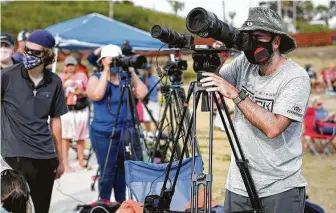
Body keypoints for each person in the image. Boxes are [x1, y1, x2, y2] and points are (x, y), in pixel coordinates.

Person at [200, 7, 309, 213]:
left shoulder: (295, 78)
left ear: (276, 42)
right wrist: (217, 62)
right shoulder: (244, 64)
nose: (251, 44)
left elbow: (274, 128)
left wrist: (235, 93)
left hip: (280, 185)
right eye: (248, 37)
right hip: (239, 183)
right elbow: (213, 84)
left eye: (258, 37)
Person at [1, 29, 68, 213]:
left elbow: (56, 121)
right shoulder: (6, 76)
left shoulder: (54, 81)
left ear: (47, 54)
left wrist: (60, 159)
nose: (28, 55)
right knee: (16, 208)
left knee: (41, 209)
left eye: (35, 52)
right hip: (14, 156)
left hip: (45, 157)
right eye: (26, 50)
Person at [86, 44, 147, 204]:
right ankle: (104, 202)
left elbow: (142, 93)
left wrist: (131, 70)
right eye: (110, 59)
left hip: (125, 131)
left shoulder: (125, 78)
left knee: (122, 168)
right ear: (102, 61)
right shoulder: (95, 77)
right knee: (107, 169)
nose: (114, 63)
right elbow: (96, 95)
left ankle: (121, 203)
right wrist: (106, 71)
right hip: (102, 133)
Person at [59, 56, 90, 172]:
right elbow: (55, 93)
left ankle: (81, 161)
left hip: (80, 108)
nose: (70, 67)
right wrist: (63, 82)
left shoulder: (82, 76)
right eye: (68, 65)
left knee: (80, 137)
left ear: (76, 66)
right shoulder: (60, 77)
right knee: (65, 137)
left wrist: (81, 92)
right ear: (65, 66)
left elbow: (88, 90)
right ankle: (65, 163)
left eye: (72, 65)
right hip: (66, 110)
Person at [143, 63, 160, 136]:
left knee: (157, 117)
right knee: (147, 117)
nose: (149, 70)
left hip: (155, 100)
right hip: (147, 101)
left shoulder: (156, 78)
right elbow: (145, 86)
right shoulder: (143, 78)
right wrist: (146, 76)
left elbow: (159, 88)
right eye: (147, 69)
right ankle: (148, 132)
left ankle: (157, 132)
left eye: (149, 69)